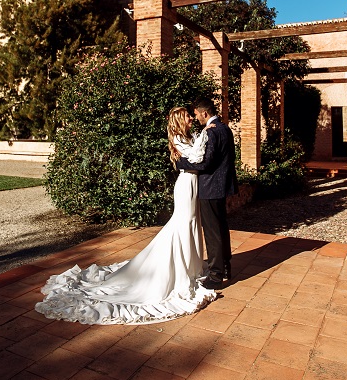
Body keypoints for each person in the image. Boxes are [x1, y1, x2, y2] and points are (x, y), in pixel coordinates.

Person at [34, 107, 217, 324]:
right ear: (179, 120)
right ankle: (180, 270)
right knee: (184, 223)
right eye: (187, 115)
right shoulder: (178, 138)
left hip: (195, 184)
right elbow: (196, 158)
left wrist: (202, 135)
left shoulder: (190, 136)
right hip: (186, 185)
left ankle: (191, 267)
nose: (191, 118)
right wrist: (206, 133)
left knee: (192, 223)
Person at [175, 98, 237, 290]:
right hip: (221, 186)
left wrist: (180, 164)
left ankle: (216, 275)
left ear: (204, 113)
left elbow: (205, 163)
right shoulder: (225, 128)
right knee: (221, 227)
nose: (195, 117)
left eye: (196, 114)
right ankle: (226, 266)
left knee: (212, 232)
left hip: (210, 187)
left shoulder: (211, 132)